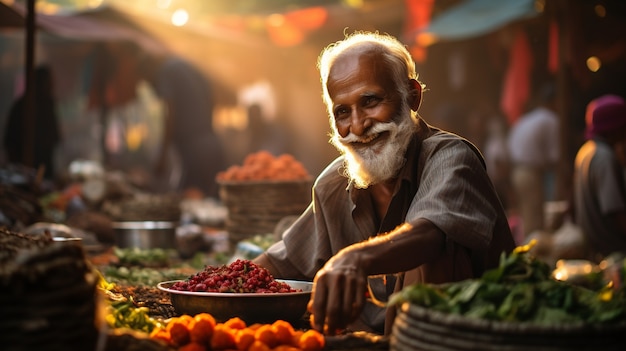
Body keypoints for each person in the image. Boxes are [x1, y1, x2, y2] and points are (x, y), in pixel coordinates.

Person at [253, 32, 515, 336]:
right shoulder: (334, 184)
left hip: (477, 335)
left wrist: (354, 259)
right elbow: (281, 264)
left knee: (434, 256)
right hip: (377, 341)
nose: (359, 125)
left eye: (371, 101)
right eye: (342, 112)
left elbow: (430, 233)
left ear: (412, 96)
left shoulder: (451, 157)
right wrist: (211, 288)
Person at [141, 54, 226, 198]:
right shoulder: (187, 66)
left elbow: (170, 112)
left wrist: (163, 155)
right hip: (211, 142)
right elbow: (213, 98)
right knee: (213, 197)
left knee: (191, 195)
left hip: (194, 148)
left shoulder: (166, 71)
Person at [573, 94, 626, 262]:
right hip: (612, 255)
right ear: (616, 128)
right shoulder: (604, 158)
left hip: (594, 251)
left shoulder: (586, 151)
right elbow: (616, 213)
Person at [506, 83, 560, 243]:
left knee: (528, 215)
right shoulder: (551, 119)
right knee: (534, 218)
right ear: (554, 102)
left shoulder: (527, 118)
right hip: (530, 172)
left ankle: (530, 251)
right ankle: (533, 254)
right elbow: (555, 156)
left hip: (517, 171)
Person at [4, 65, 61, 180]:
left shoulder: (47, 105)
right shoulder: (22, 106)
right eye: (48, 82)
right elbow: (9, 142)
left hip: (44, 170)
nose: (52, 85)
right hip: (22, 171)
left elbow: (55, 137)